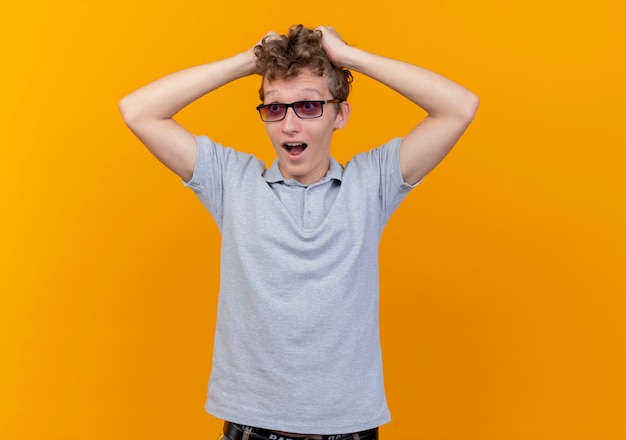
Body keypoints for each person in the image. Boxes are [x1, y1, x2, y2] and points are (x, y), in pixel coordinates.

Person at [119, 24, 478, 440]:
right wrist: (247, 62)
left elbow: (460, 107)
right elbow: (138, 110)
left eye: (308, 106)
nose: (289, 125)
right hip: (252, 430)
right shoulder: (233, 182)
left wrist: (349, 58)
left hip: (350, 431)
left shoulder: (370, 183)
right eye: (275, 108)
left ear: (339, 114)